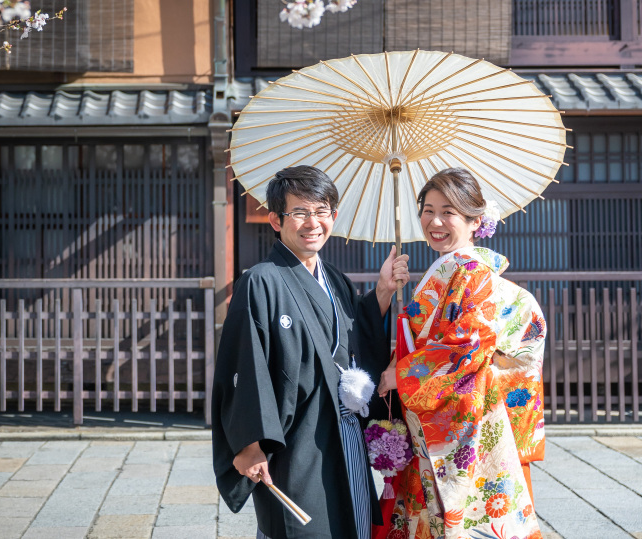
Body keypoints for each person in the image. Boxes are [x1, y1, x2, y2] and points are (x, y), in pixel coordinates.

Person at [212, 164, 409, 539]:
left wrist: (383, 292)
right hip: (296, 440)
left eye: (322, 212)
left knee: (354, 523)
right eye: (299, 212)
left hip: (343, 432)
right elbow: (244, 364)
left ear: (333, 216)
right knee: (303, 528)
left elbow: (353, 342)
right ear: (275, 219)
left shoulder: (335, 279)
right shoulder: (261, 281)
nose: (312, 222)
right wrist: (249, 443)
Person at [375, 167, 547, 539]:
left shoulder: (471, 273)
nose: (435, 221)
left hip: (459, 419)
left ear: (474, 221)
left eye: (448, 211)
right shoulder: (448, 270)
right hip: (440, 411)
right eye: (428, 209)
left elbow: (466, 347)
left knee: (459, 516)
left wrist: (401, 375)